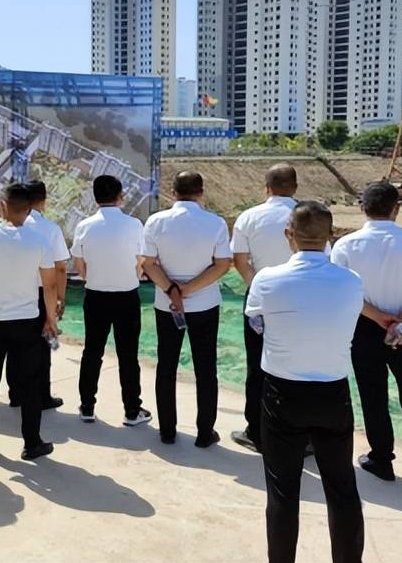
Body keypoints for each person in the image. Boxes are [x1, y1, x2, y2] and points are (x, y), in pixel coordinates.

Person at [245, 201, 364, 563]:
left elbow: (256, 320)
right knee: (342, 488)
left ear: (288, 235)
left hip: (282, 393)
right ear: (331, 237)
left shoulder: (267, 278)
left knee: (282, 491)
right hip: (333, 392)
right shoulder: (351, 281)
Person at [332, 182, 402, 484]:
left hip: (365, 328)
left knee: (373, 394)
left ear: (361, 207)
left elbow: (343, 290)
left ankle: (381, 458)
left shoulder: (345, 245)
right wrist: (401, 321)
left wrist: (379, 318)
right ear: (396, 208)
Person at [0, 182, 58, 460]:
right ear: (29, 209)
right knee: (29, 383)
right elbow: (49, 286)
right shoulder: (40, 240)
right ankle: (32, 443)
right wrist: (50, 318)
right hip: (27, 321)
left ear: (2, 206)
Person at [142, 171, 232, 446]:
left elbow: (148, 263)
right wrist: (188, 290)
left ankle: (167, 431)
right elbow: (222, 264)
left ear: (174, 190)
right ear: (201, 192)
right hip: (204, 304)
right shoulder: (215, 223)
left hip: (167, 304)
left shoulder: (156, 221)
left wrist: (172, 291)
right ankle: (205, 432)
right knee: (206, 368)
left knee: (166, 366)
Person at [230, 164, 299, 453]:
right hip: (300, 300)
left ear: (266, 187)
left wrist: (257, 285)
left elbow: (239, 260)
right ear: (295, 187)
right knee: (298, 365)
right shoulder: (307, 213)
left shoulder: (249, 217)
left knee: (257, 364)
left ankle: (257, 431)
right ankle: (298, 434)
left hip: (259, 300)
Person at [71, 175, 150, 426]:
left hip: (95, 296)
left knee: (92, 352)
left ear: (95, 197)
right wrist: (134, 275)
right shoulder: (134, 224)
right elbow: (141, 260)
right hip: (126, 296)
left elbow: (79, 262)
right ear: (121, 196)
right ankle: (131, 410)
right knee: (128, 355)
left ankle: (86, 406)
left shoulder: (84, 225)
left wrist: (92, 278)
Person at [13, 180, 69, 410]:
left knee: (16, 346)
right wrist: (60, 298)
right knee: (42, 347)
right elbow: (61, 268)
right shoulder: (50, 229)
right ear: (43, 201)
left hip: (16, 291)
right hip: (41, 292)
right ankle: (41, 396)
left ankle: (16, 394)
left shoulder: (12, 227)